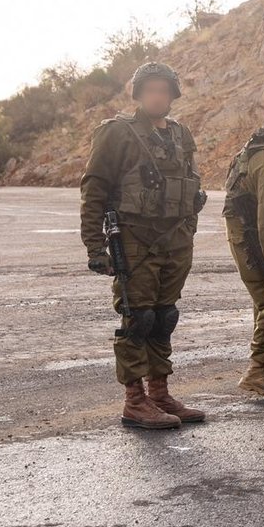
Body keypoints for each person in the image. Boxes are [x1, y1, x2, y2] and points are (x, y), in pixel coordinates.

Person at [81, 62, 208, 430]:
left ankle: (160, 392)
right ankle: (134, 400)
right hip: (135, 242)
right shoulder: (117, 133)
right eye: (151, 89)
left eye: (164, 90)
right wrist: (94, 247)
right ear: (138, 94)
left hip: (176, 243)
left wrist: (189, 228)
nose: (158, 96)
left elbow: (193, 185)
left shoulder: (181, 134)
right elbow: (94, 191)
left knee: (164, 317)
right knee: (139, 319)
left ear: (173, 94)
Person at [222, 123, 264, 396]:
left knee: (263, 299)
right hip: (250, 235)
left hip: (246, 229)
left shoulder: (263, 149)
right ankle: (259, 370)